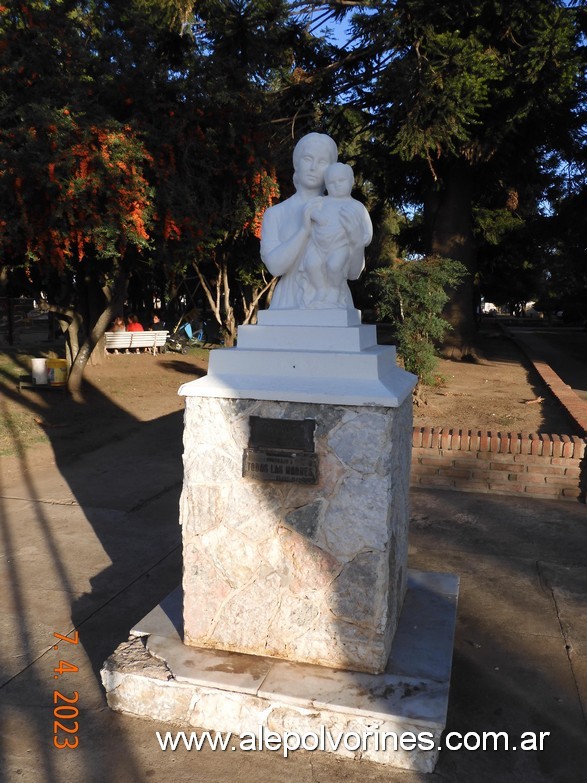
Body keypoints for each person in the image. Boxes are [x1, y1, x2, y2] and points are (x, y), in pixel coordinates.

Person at [260, 132, 370, 310]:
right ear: (297, 163)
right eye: (307, 159)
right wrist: (304, 230)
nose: (312, 167)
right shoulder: (276, 213)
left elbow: (353, 274)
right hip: (288, 305)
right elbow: (275, 267)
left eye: (322, 162)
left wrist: (357, 242)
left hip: (336, 305)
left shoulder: (346, 210)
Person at [299, 162, 372, 308]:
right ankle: (320, 290)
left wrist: (363, 237)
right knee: (311, 264)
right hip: (318, 243)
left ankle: (334, 291)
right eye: (331, 182)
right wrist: (316, 216)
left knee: (334, 266)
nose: (336, 185)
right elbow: (308, 212)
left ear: (351, 181)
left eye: (341, 181)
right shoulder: (321, 201)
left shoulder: (356, 206)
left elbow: (366, 230)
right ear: (326, 185)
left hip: (340, 244)